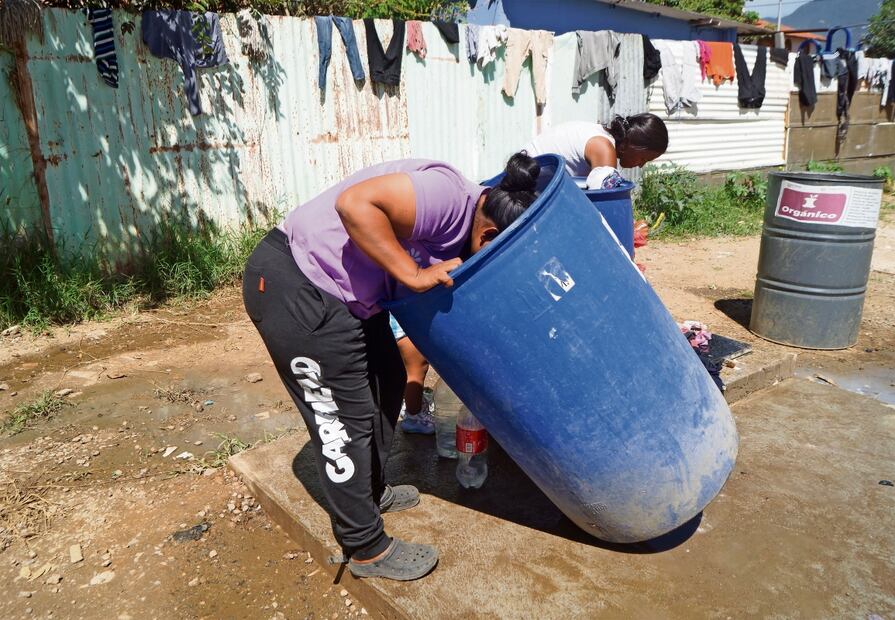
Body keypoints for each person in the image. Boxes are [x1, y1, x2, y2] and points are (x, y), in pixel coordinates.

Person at [241, 153, 540, 581]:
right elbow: (354, 205)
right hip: (297, 285)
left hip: (351, 300)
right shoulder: (447, 198)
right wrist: (414, 274)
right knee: (342, 421)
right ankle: (363, 547)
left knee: (388, 379)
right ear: (489, 232)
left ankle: (371, 490)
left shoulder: (471, 216)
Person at [522, 113, 669, 178]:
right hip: (523, 192)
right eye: (643, 159)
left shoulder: (599, 133)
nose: (641, 165)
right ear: (627, 145)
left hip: (521, 179)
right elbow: (605, 205)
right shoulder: (604, 149)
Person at [389, 313, 435, 434]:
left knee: (401, 367)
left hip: (385, 320)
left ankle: (412, 402)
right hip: (401, 325)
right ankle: (414, 417)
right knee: (416, 370)